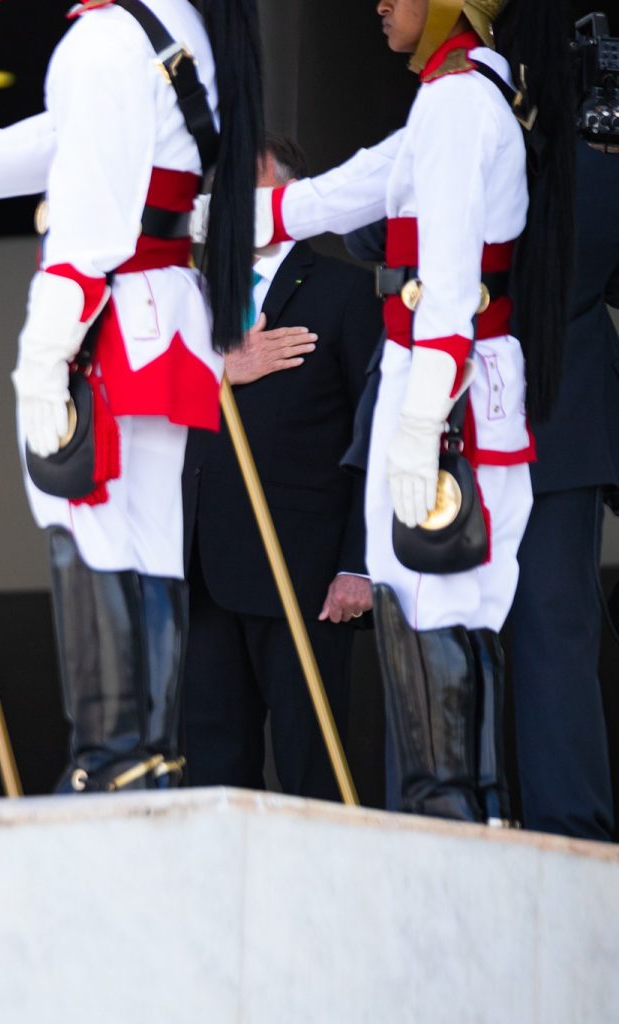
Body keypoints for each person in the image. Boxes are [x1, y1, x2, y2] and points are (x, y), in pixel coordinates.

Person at [0, 0, 265, 792]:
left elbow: (87, 228)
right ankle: (148, 758)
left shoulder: (103, 38)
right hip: (159, 314)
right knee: (148, 542)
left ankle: (110, 759)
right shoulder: (171, 26)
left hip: (103, 320)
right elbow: (43, 147)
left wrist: (43, 358)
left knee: (89, 527)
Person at [253, 0, 573, 823]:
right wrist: (202, 220)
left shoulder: (460, 100)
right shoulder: (455, 94)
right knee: (436, 609)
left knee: (437, 609)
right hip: (445, 384)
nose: (380, 4)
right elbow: (339, 194)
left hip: (446, 390)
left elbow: (452, 288)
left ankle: (454, 829)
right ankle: (461, 821)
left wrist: (420, 423)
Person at [182, 136, 380, 800]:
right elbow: (144, 409)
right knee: (212, 773)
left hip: (306, 570)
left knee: (311, 768)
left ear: (298, 199)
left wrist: (359, 563)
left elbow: (374, 433)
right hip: (202, 569)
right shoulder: (188, 294)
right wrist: (220, 371)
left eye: (257, 190)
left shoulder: (345, 290)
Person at [503, 127, 619, 840]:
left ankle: (556, 828)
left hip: (531, 421)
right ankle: (557, 825)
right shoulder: (592, 162)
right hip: (504, 420)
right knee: (547, 633)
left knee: (547, 633)